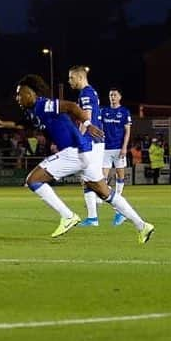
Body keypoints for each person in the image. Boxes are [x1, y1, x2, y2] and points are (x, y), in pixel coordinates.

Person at [0, 74, 154, 242]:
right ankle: (142, 226)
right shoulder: (32, 111)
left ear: (31, 93)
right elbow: (23, 125)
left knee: (33, 180)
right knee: (105, 193)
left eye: (20, 93)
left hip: (74, 152)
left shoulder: (44, 104)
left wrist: (87, 125)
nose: (17, 98)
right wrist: (2, 124)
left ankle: (67, 216)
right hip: (84, 153)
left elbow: (71, 106)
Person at [68, 66, 105, 226]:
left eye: (71, 78)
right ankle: (94, 212)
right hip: (95, 141)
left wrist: (79, 137)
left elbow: (87, 118)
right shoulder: (91, 92)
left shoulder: (86, 93)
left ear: (80, 77)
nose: (70, 81)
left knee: (88, 178)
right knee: (90, 177)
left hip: (90, 141)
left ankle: (93, 217)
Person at [99, 87, 133, 226]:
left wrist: (125, 147)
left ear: (120, 97)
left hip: (119, 148)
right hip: (105, 148)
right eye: (110, 95)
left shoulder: (124, 112)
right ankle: (103, 198)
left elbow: (127, 131)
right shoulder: (104, 111)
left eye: (114, 95)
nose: (112, 97)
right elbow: (99, 127)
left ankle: (118, 197)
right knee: (102, 176)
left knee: (120, 176)